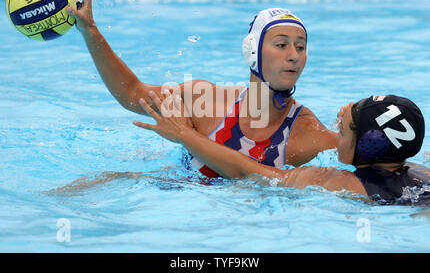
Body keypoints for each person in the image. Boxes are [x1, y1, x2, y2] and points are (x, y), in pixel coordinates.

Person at [66, 0, 337, 177]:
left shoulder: (307, 134)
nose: (294, 55)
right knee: (105, 180)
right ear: (252, 51)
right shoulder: (205, 102)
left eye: (301, 47)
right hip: (173, 199)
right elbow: (132, 93)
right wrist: (89, 29)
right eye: (281, 45)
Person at [134, 92, 430, 205]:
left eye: (348, 124)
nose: (340, 115)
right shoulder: (420, 173)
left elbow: (247, 171)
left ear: (370, 144)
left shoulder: (338, 182)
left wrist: (184, 134)